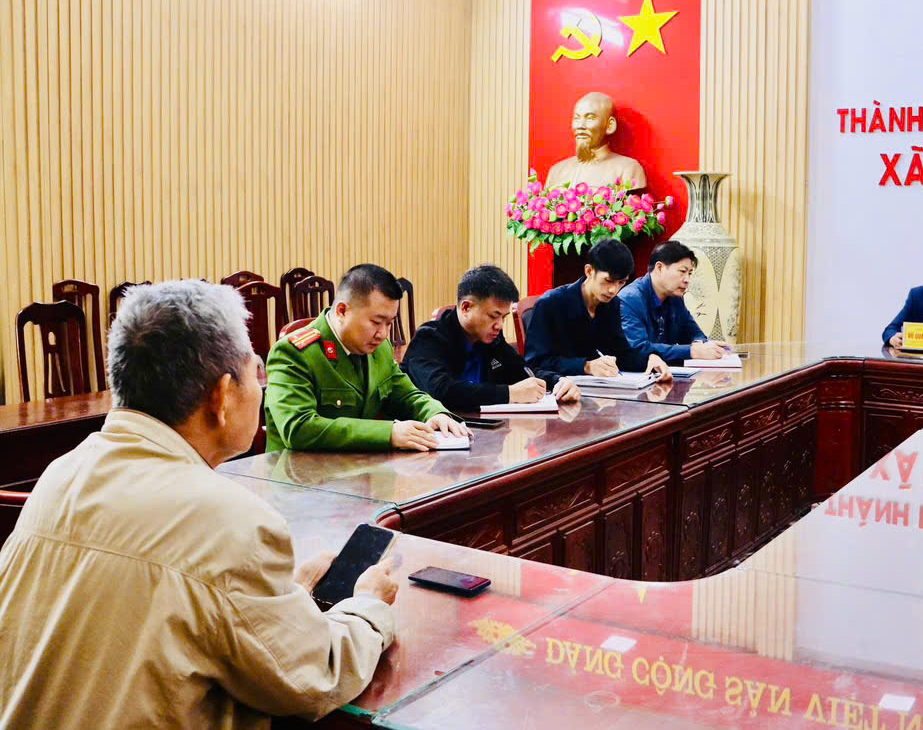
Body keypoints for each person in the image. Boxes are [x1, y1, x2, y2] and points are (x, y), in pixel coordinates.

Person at [0, 281, 398, 728]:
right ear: (221, 396)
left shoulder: (62, 474)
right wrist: (368, 606)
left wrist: (292, 592)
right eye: (255, 374)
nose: (260, 391)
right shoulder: (231, 521)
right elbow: (315, 678)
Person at [265, 263, 468, 452]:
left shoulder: (380, 349)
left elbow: (405, 395)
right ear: (342, 311)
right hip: (300, 474)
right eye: (376, 322)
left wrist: (434, 413)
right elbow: (298, 428)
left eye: (389, 323)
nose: (383, 334)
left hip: (360, 469)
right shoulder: (294, 352)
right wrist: (388, 433)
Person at [401, 264, 581, 413]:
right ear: (466, 308)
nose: (499, 325)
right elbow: (442, 391)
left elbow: (523, 371)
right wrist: (510, 393)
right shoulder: (429, 338)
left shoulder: (492, 339)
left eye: (503, 317)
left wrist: (558, 382)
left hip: (484, 431)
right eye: (493, 316)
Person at [524, 239, 672, 380]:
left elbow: (621, 353)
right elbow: (535, 363)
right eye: (608, 281)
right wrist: (586, 366)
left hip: (599, 389)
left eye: (621, 282)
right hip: (558, 389)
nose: (613, 290)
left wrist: (649, 358)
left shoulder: (612, 304)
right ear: (589, 271)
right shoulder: (551, 303)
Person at [618, 240, 729, 365]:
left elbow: (695, 334)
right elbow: (638, 349)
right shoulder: (630, 299)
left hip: (667, 373)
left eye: (690, 273)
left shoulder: (675, 297)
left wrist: (701, 346)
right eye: (682, 271)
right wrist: (692, 351)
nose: (687, 280)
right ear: (659, 268)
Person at [545, 92, 647, 190]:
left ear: (609, 125)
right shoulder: (557, 171)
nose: (580, 126)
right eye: (576, 118)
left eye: (590, 118)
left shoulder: (627, 169)